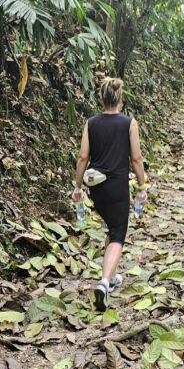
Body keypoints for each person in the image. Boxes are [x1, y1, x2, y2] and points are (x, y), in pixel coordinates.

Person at [71, 77, 148, 312]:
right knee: (118, 233)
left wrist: (77, 186)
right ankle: (104, 283)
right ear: (120, 98)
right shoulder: (128, 123)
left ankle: (112, 277)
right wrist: (142, 187)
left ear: (102, 98)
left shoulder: (91, 123)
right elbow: (135, 158)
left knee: (111, 227)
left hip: (96, 187)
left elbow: (83, 157)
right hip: (117, 186)